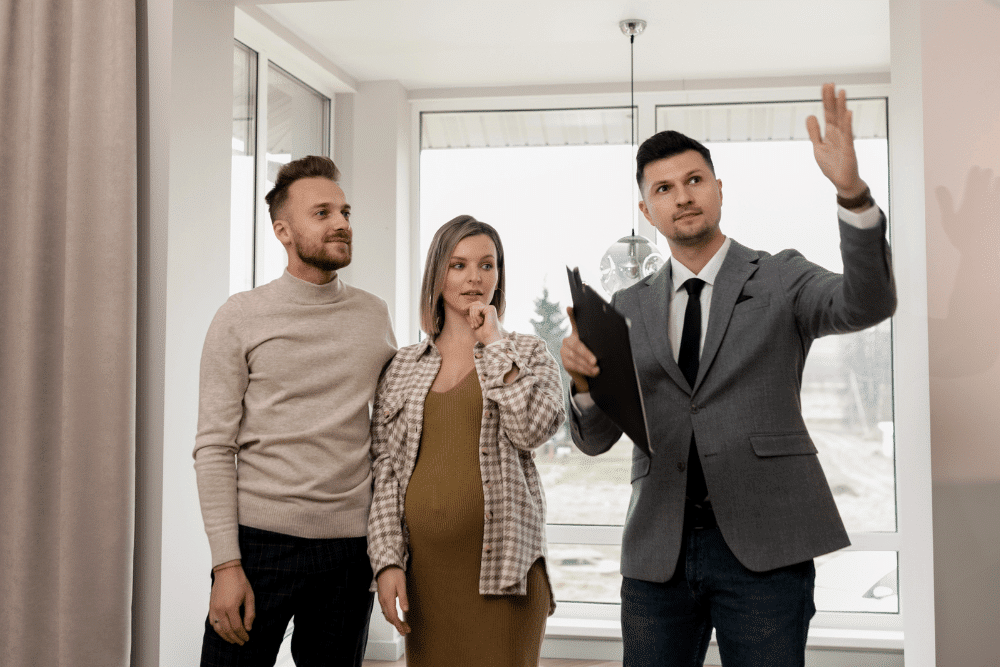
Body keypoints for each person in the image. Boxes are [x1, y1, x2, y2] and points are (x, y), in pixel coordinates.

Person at [559, 83, 897, 666]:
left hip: (766, 549)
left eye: (694, 180)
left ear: (718, 188)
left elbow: (865, 303)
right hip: (657, 551)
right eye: (664, 189)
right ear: (647, 210)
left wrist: (852, 193)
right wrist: (585, 385)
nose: (682, 196)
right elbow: (593, 442)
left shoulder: (781, 278)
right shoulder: (627, 307)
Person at [193, 155, 397, 666]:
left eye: (345, 212)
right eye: (322, 213)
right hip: (260, 549)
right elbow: (214, 447)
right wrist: (225, 565)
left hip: (350, 551)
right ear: (283, 231)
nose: (342, 224)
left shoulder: (373, 315)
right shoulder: (240, 316)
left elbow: (399, 423)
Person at [367, 215, 564, 666]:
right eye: (458, 265)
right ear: (436, 276)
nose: (475, 277)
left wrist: (494, 342)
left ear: (499, 275)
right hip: (426, 582)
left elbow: (533, 429)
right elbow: (386, 473)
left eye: (487, 265)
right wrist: (386, 561)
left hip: (506, 578)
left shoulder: (528, 352)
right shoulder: (400, 366)